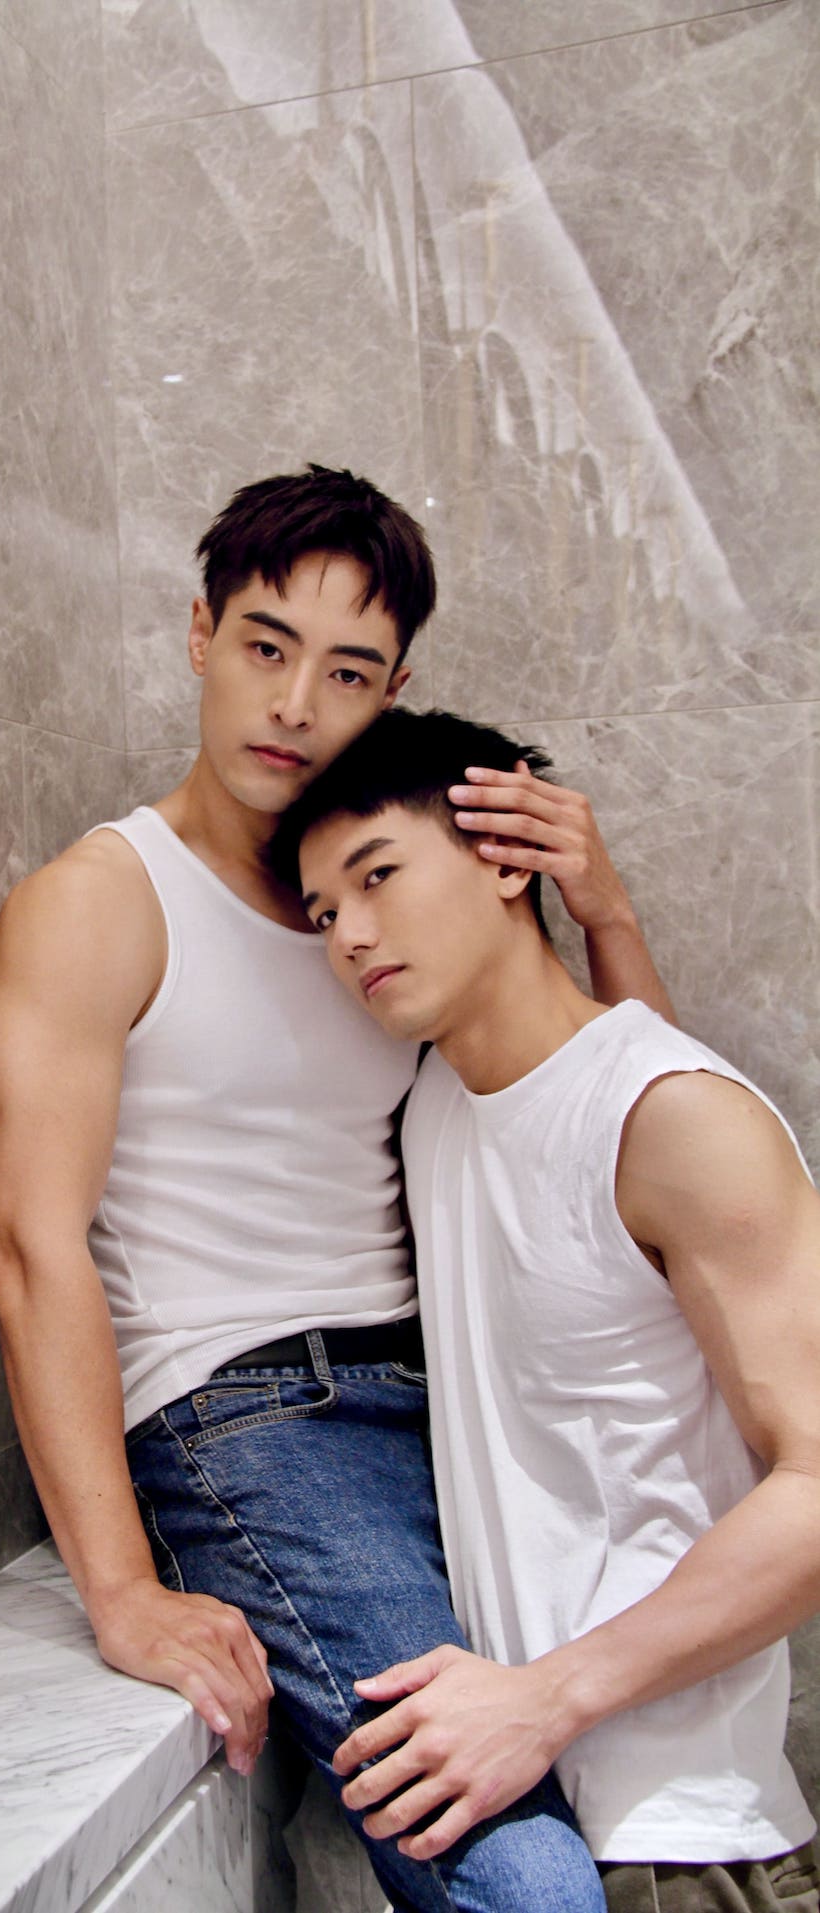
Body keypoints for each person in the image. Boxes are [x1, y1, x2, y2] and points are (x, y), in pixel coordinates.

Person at [0, 465, 674, 1909]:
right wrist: (123, 1588)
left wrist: (602, 910)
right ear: (200, 635)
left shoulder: (390, 901)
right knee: (517, 1864)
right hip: (253, 1419)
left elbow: (611, 1114)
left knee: (631, 1779)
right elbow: (33, 1248)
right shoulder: (104, 899)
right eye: (264, 646)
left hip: (452, 1394)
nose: (293, 704)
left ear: (394, 690)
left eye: (346, 671)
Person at [268, 706, 820, 1913]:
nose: (348, 935)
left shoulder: (678, 1117)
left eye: (377, 875)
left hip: (681, 1848)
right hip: (517, 1833)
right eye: (320, 911)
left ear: (508, 856)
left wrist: (546, 1696)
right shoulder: (436, 1106)